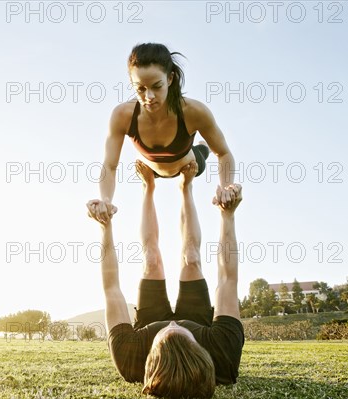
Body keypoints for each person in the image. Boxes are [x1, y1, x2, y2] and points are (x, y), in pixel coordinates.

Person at [86, 160, 244, 399]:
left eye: (167, 333)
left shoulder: (129, 357)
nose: (173, 324)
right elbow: (227, 280)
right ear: (200, 351)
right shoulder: (223, 352)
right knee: (191, 259)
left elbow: (111, 289)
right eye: (181, 333)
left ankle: (147, 187)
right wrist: (227, 216)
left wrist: (104, 227)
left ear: (149, 360)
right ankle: (186, 187)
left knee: (151, 260)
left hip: (150, 324)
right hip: (198, 322)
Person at [93, 42, 236, 223]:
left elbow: (223, 153)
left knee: (201, 153)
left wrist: (226, 187)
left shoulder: (194, 111)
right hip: (150, 168)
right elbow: (109, 165)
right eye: (141, 89)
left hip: (187, 162)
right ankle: (150, 183)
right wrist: (106, 200)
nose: (149, 96)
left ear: (170, 79)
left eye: (157, 86)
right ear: (132, 84)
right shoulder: (122, 115)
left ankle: (201, 148)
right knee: (145, 183)